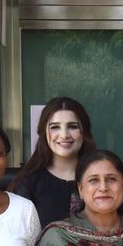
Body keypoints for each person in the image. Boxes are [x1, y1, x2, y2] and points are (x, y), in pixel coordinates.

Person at [13, 96, 97, 228]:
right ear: (44, 133)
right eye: (55, 127)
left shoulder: (101, 181)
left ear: (84, 132)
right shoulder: (29, 184)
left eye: (73, 126)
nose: (64, 135)